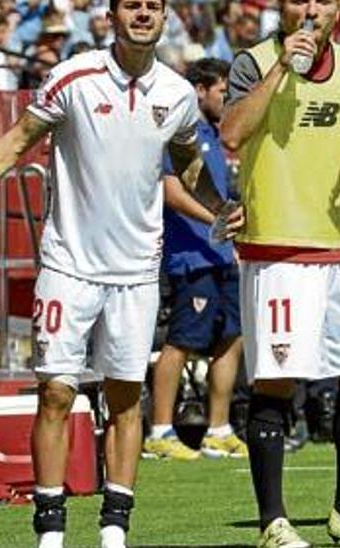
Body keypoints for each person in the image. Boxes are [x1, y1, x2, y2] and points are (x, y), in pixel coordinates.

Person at [0, 1, 240, 546]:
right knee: (56, 392)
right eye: (132, 6)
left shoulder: (176, 93)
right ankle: (50, 531)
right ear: (111, 17)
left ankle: (114, 531)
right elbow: (21, 136)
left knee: (125, 400)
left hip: (137, 272)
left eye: (153, 7)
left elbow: (188, 157)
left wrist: (218, 205)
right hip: (69, 264)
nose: (143, 15)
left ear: (165, 17)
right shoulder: (72, 76)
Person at [219, 0, 340, 545]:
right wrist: (283, 65)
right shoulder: (253, 62)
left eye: (323, 0)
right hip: (279, 248)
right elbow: (232, 134)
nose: (311, 9)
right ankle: (272, 523)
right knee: (277, 383)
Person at [143, 57, 249, 462]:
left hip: (221, 254)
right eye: (224, 90)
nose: (229, 98)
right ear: (199, 90)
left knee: (231, 337)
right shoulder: (181, 133)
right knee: (181, 342)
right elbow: (170, 192)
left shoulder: (215, 135)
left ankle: (218, 430)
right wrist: (217, 219)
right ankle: (161, 431)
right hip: (189, 257)